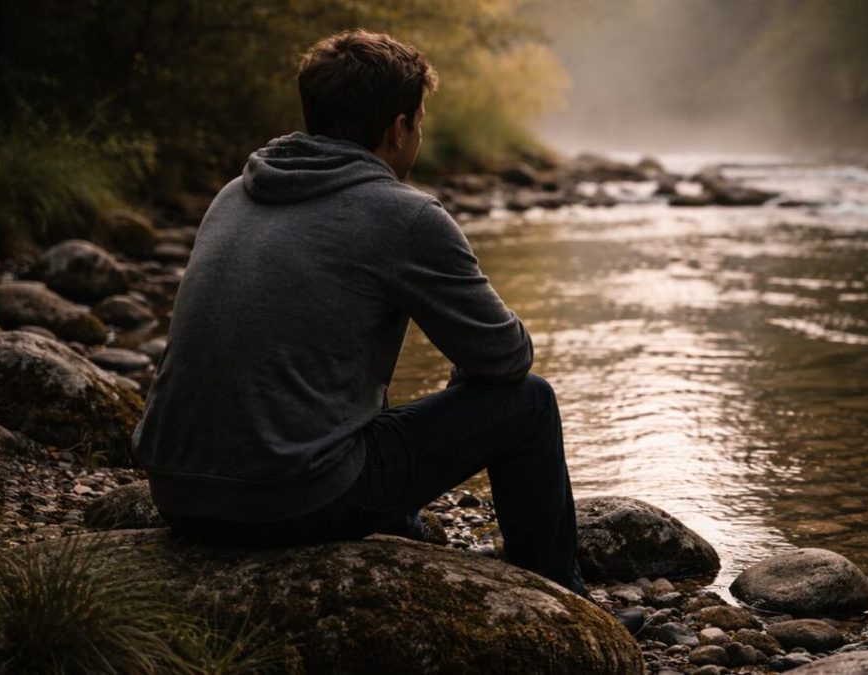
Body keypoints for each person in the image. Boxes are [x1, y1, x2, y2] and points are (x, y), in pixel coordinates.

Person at [132, 29, 591, 599]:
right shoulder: (405, 216)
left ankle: (397, 521)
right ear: (398, 128)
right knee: (529, 402)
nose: (419, 133)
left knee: (340, 363)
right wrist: (472, 372)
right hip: (286, 502)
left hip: (176, 494)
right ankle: (557, 595)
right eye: (419, 120)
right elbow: (507, 356)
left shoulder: (235, 193)